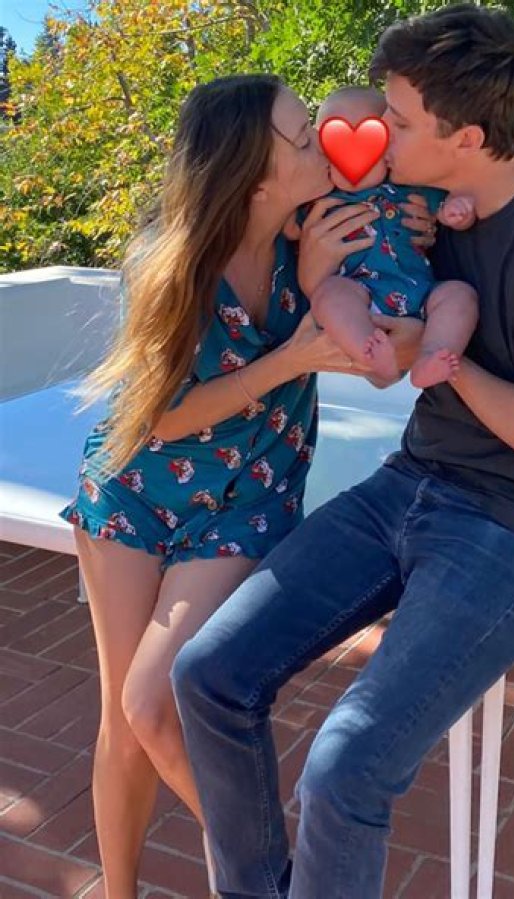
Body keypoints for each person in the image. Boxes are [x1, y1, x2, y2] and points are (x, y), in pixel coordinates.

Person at [171, 5, 514, 899]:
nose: (379, 132)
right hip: (414, 482)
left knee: (344, 767)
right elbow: (379, 359)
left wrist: (441, 360)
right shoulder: (428, 210)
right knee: (208, 675)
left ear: (466, 138)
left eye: (401, 120)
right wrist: (329, 282)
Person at [59, 72, 433, 898]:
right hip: (134, 485)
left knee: (155, 703)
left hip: (251, 496)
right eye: (305, 137)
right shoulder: (171, 264)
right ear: (257, 179)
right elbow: (160, 418)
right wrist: (290, 358)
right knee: (123, 721)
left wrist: (426, 223)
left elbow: (400, 307)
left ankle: (279, 881)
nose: (326, 143)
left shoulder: (325, 229)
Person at [291, 85, 478, 387]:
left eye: (370, 145)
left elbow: (446, 208)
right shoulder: (320, 200)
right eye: (335, 147)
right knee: (330, 294)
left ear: (388, 149)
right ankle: (370, 356)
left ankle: (430, 356)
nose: (351, 159)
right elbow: (290, 226)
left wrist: (458, 211)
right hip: (360, 299)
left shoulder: (408, 189)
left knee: (460, 295)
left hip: (423, 294)